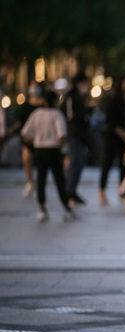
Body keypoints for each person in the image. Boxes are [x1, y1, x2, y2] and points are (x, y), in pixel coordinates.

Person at [21, 90, 74, 222]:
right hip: (53, 150)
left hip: (39, 149)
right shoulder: (57, 115)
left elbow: (25, 133)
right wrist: (63, 148)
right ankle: (66, 206)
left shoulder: (36, 114)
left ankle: (42, 207)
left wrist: (36, 141)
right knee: (59, 179)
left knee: (41, 179)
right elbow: (61, 135)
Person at [99, 76, 125, 206]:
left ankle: (122, 191)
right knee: (107, 163)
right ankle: (102, 191)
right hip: (112, 136)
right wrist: (122, 133)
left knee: (124, 164)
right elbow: (110, 121)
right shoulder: (113, 99)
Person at [62, 72, 91, 207]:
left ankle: (72, 190)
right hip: (74, 134)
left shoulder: (80, 97)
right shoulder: (71, 97)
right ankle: (69, 192)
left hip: (81, 135)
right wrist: (85, 113)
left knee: (79, 163)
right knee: (74, 163)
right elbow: (70, 116)